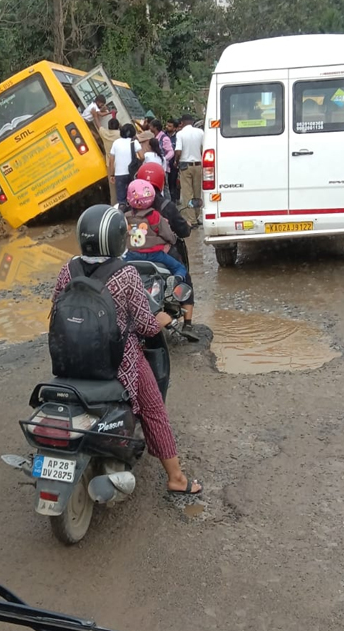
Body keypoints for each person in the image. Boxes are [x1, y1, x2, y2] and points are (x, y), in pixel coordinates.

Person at [52, 205, 201, 495]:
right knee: (153, 408)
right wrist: (161, 319)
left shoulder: (67, 269)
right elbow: (145, 326)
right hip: (117, 361)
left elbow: (56, 308)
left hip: (68, 359)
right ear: (119, 238)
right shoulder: (126, 274)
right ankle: (177, 479)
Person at [128, 162, 200, 342]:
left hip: (132, 255)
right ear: (161, 182)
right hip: (160, 254)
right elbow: (178, 232)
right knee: (184, 274)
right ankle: (188, 324)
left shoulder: (126, 208)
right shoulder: (165, 207)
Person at [123, 180, 188, 279]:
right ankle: (177, 281)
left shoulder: (126, 217)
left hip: (132, 255)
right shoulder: (154, 216)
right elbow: (168, 234)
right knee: (180, 268)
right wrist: (171, 241)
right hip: (154, 255)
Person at [175, 114, 205, 227]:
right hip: (198, 165)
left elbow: (178, 151)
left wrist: (176, 162)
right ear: (192, 121)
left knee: (188, 194)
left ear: (182, 122)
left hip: (185, 166)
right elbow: (204, 148)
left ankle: (192, 220)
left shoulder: (180, 134)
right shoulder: (200, 133)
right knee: (197, 192)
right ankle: (197, 216)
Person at [109, 123, 140, 205]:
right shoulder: (134, 142)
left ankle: (123, 214)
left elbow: (111, 160)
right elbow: (142, 156)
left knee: (121, 200)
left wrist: (112, 175)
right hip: (132, 173)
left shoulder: (116, 143)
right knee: (134, 196)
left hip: (119, 174)